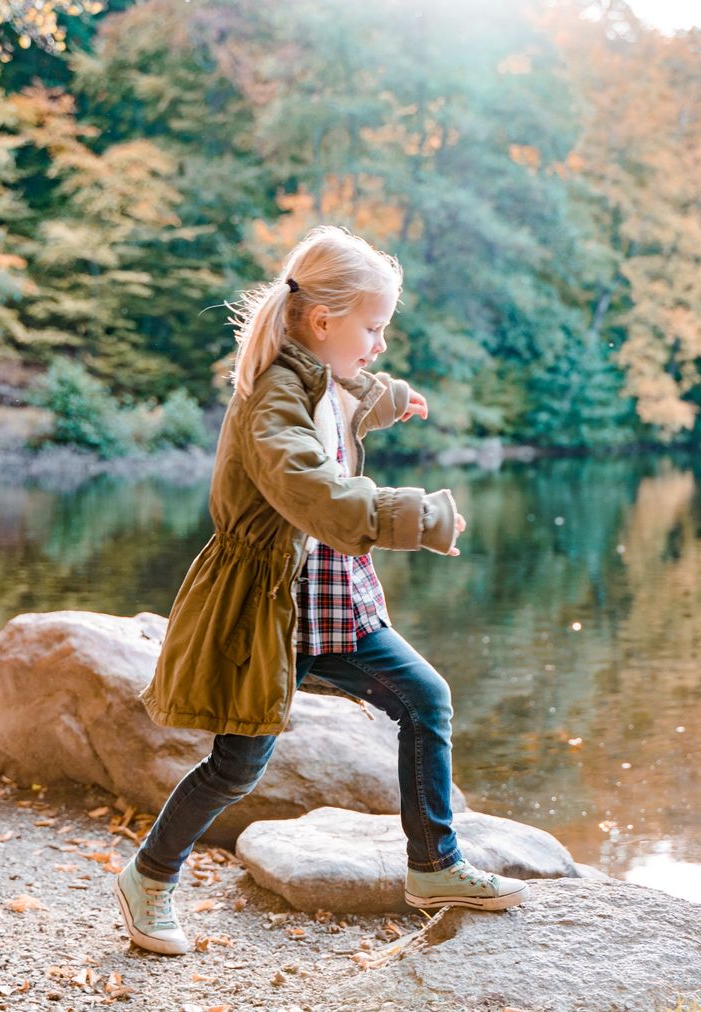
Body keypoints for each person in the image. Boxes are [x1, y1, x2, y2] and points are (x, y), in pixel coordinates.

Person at [115, 224, 529, 955]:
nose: (378, 343)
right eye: (372, 328)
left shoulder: (321, 378)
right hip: (268, 611)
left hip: (333, 602)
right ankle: (149, 878)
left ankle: (434, 866)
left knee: (424, 697)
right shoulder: (274, 396)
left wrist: (390, 398)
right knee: (236, 769)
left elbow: (343, 401)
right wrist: (418, 514)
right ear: (323, 320)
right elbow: (311, 486)